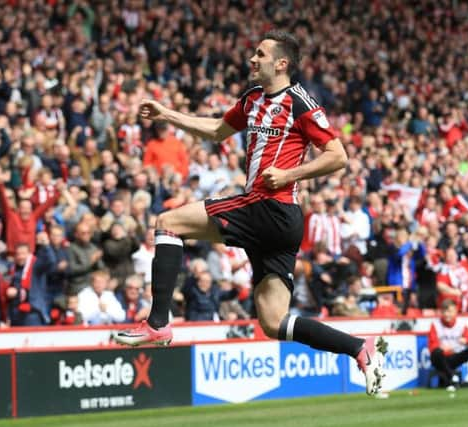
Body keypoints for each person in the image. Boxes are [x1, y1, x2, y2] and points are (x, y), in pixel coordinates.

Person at [114, 30, 387, 395]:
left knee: (167, 223)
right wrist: (167, 114)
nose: (252, 60)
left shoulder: (300, 102)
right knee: (273, 323)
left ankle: (158, 322)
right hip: (277, 222)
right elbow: (214, 130)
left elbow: (338, 155)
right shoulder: (252, 99)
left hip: (269, 207)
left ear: (281, 63)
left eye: (260, 54)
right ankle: (359, 348)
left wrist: (289, 174)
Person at [428, 299, 468, 390]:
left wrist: (466, 340)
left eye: (449, 311)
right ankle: (452, 377)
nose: (446, 314)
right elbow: (432, 346)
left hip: (456, 357)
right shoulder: (436, 325)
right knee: (436, 353)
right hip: (442, 358)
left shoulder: (460, 325)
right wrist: (443, 349)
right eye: (444, 311)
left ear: (455, 312)